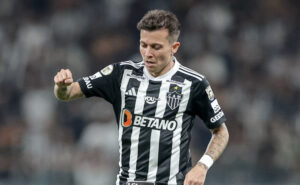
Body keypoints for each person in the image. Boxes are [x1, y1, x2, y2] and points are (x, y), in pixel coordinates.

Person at [54, 9, 229, 185]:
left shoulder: (194, 83)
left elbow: (221, 131)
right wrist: (61, 86)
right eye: (143, 45)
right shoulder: (121, 74)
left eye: (156, 47)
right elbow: (68, 94)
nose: (148, 53)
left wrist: (202, 166)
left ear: (174, 48)